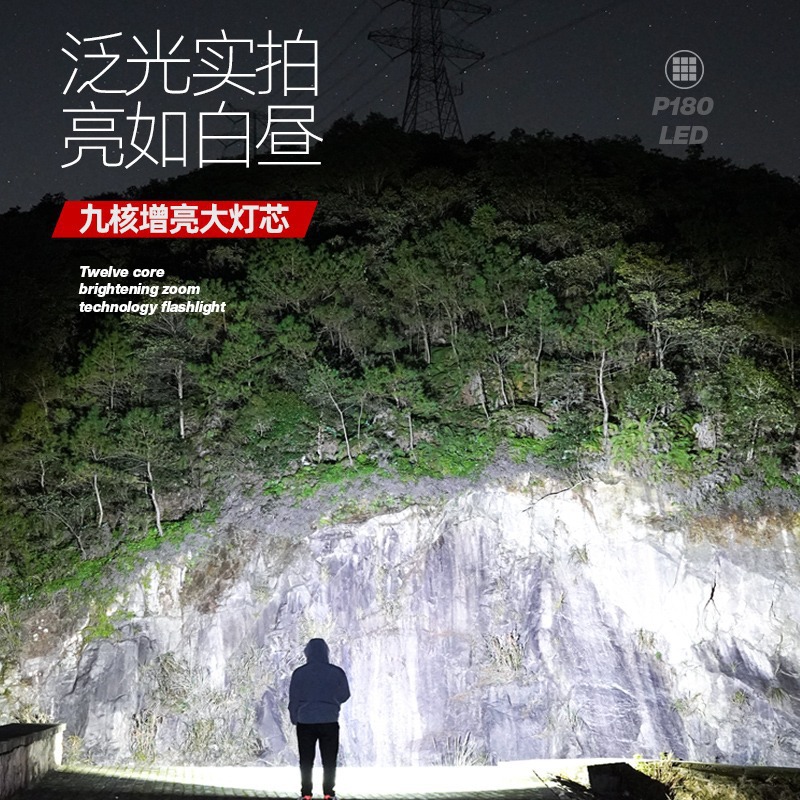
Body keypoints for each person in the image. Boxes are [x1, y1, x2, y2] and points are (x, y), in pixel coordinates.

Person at [288, 638, 351, 800]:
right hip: (329, 720)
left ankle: (306, 794)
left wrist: (294, 716)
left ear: (307, 653)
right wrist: (333, 702)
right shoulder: (336, 672)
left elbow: (293, 698)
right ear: (326, 652)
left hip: (305, 721)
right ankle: (329, 793)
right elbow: (345, 694)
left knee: (306, 760)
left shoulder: (300, 673)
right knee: (329, 760)